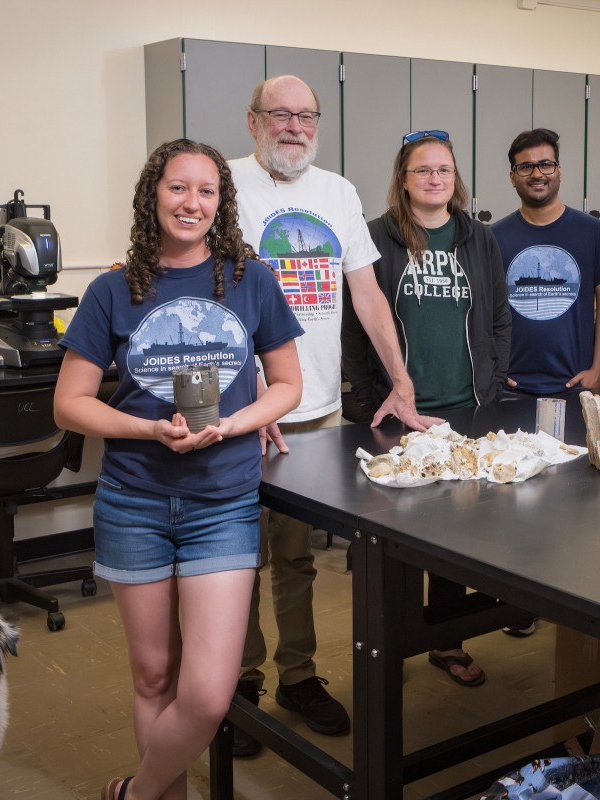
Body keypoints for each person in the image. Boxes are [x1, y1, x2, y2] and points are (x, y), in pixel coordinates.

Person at [53, 139, 304, 800]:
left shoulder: (252, 280)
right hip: (133, 499)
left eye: (206, 191)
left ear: (221, 203)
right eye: (177, 187)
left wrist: (235, 423)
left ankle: (134, 795)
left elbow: (286, 385)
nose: (191, 202)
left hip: (221, 501)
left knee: (208, 692)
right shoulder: (113, 288)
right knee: (154, 678)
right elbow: (69, 404)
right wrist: (144, 429)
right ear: (153, 195)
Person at [228, 75, 442, 755]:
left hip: (314, 412)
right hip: (245, 412)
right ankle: (237, 686)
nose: (293, 126)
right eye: (279, 114)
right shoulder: (224, 186)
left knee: (295, 559)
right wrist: (254, 391)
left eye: (305, 115)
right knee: (234, 559)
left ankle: (297, 675)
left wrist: (401, 381)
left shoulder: (337, 193)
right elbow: (216, 299)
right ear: (254, 120)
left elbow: (368, 296)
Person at [341, 130, 510, 686]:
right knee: (394, 539)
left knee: (457, 535)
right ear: (404, 178)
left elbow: (499, 317)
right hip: (397, 415)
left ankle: (445, 642)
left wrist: (491, 382)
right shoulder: (375, 238)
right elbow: (355, 328)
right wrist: (371, 398)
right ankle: (388, 648)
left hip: (466, 408)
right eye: (423, 170)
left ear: (455, 178)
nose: (435, 179)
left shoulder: (477, 238)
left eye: (444, 170)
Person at [492, 128, 600, 397]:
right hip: (510, 389)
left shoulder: (593, 232)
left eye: (546, 165)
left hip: (577, 385)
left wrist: (598, 369)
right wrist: (494, 369)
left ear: (559, 171)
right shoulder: (493, 237)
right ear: (512, 177)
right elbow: (482, 314)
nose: (537, 174)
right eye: (526, 167)